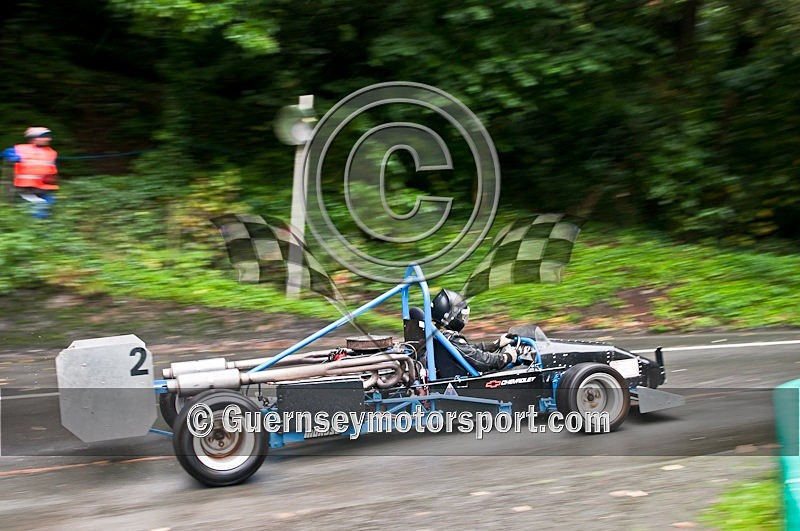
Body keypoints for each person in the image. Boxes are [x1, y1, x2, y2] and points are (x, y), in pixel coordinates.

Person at [430, 288, 519, 377]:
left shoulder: (436, 335)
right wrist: (506, 357)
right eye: (461, 316)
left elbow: (467, 350)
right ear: (450, 317)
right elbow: (480, 361)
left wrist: (495, 344)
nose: (463, 320)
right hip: (460, 387)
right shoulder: (450, 338)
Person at [2, 127, 59, 218]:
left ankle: (41, 224)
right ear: (34, 138)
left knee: (50, 203)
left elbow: (52, 168)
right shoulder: (20, 149)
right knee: (40, 204)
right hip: (25, 188)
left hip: (43, 187)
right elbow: (5, 153)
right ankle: (37, 226)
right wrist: (12, 156)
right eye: (44, 136)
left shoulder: (51, 152)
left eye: (48, 136)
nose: (48, 139)